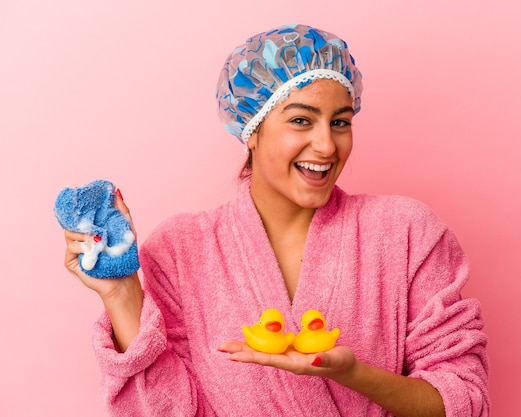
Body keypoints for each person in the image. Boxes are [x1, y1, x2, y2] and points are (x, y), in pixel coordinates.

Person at [63, 23, 489, 417]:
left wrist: (351, 373)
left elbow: (463, 398)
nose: (326, 145)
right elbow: (163, 409)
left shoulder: (407, 232)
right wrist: (121, 294)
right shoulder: (180, 249)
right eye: (301, 120)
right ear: (252, 127)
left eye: (340, 122)